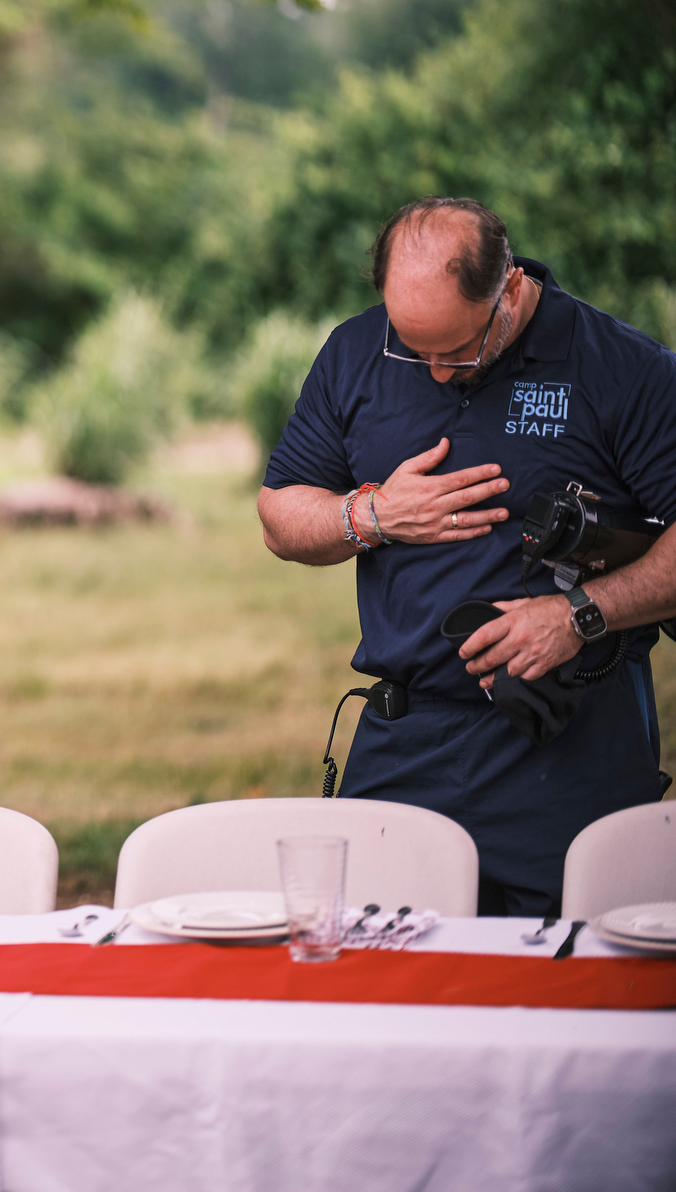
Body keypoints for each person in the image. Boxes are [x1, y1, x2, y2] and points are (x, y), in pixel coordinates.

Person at [259, 198, 676, 916]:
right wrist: (372, 515)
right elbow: (279, 513)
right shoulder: (356, 351)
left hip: (571, 739)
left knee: (578, 987)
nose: (434, 372)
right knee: (370, 976)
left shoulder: (625, 370)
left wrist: (577, 615)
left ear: (509, 290)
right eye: (411, 347)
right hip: (405, 736)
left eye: (455, 351)